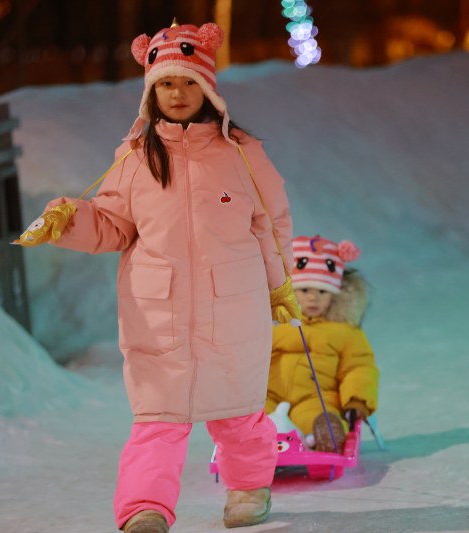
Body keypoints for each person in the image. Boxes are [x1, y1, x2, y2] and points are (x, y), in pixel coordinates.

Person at [42, 21, 297, 532]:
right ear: (150, 92)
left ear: (206, 87)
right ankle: (145, 509)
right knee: (157, 419)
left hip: (234, 306)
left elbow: (271, 225)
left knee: (239, 411)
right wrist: (71, 221)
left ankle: (248, 489)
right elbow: (112, 225)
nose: (176, 94)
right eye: (164, 84)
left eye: (186, 82)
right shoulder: (136, 158)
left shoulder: (241, 153)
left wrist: (279, 286)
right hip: (158, 311)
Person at [265, 235, 379, 452]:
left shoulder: (345, 331)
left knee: (319, 416)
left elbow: (359, 367)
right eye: (305, 290)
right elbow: (251, 356)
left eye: (322, 292)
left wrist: (357, 401)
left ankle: (325, 435)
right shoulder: (275, 322)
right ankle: (255, 440)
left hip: (315, 398)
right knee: (256, 416)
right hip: (270, 394)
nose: (313, 299)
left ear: (336, 294)